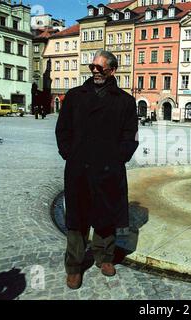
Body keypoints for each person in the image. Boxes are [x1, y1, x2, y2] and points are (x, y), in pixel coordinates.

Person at [55, 50, 139, 290]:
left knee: (106, 216)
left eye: (100, 68)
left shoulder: (124, 101)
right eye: (92, 67)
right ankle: (74, 266)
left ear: (112, 70)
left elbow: (130, 136)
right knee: (77, 219)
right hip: (79, 168)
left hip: (108, 168)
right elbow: (63, 129)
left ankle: (105, 257)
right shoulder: (74, 96)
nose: (95, 71)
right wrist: (69, 153)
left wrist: (118, 158)